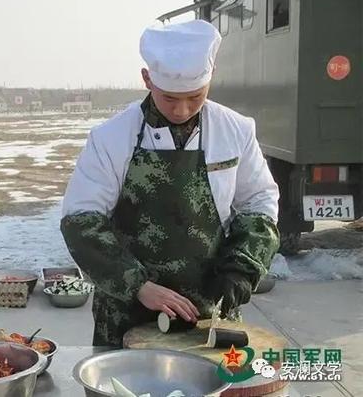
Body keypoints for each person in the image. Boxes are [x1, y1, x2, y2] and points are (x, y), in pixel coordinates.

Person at [60, 20, 280, 346]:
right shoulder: (111, 138)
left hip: (209, 312)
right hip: (126, 309)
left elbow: (259, 203)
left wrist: (241, 269)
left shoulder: (235, 131)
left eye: (195, 97)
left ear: (211, 77)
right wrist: (137, 285)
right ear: (147, 79)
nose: (182, 110)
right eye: (169, 98)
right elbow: (80, 221)